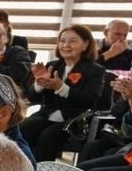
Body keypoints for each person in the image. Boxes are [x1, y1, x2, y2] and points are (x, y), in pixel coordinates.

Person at [21, 24, 106, 162]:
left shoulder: (95, 70)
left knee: (48, 137)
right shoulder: (52, 66)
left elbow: (90, 99)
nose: (66, 45)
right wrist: (39, 83)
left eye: (72, 41)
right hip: (47, 114)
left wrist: (62, 87)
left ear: (85, 45)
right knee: (23, 128)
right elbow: (32, 97)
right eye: (62, 41)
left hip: (73, 121)